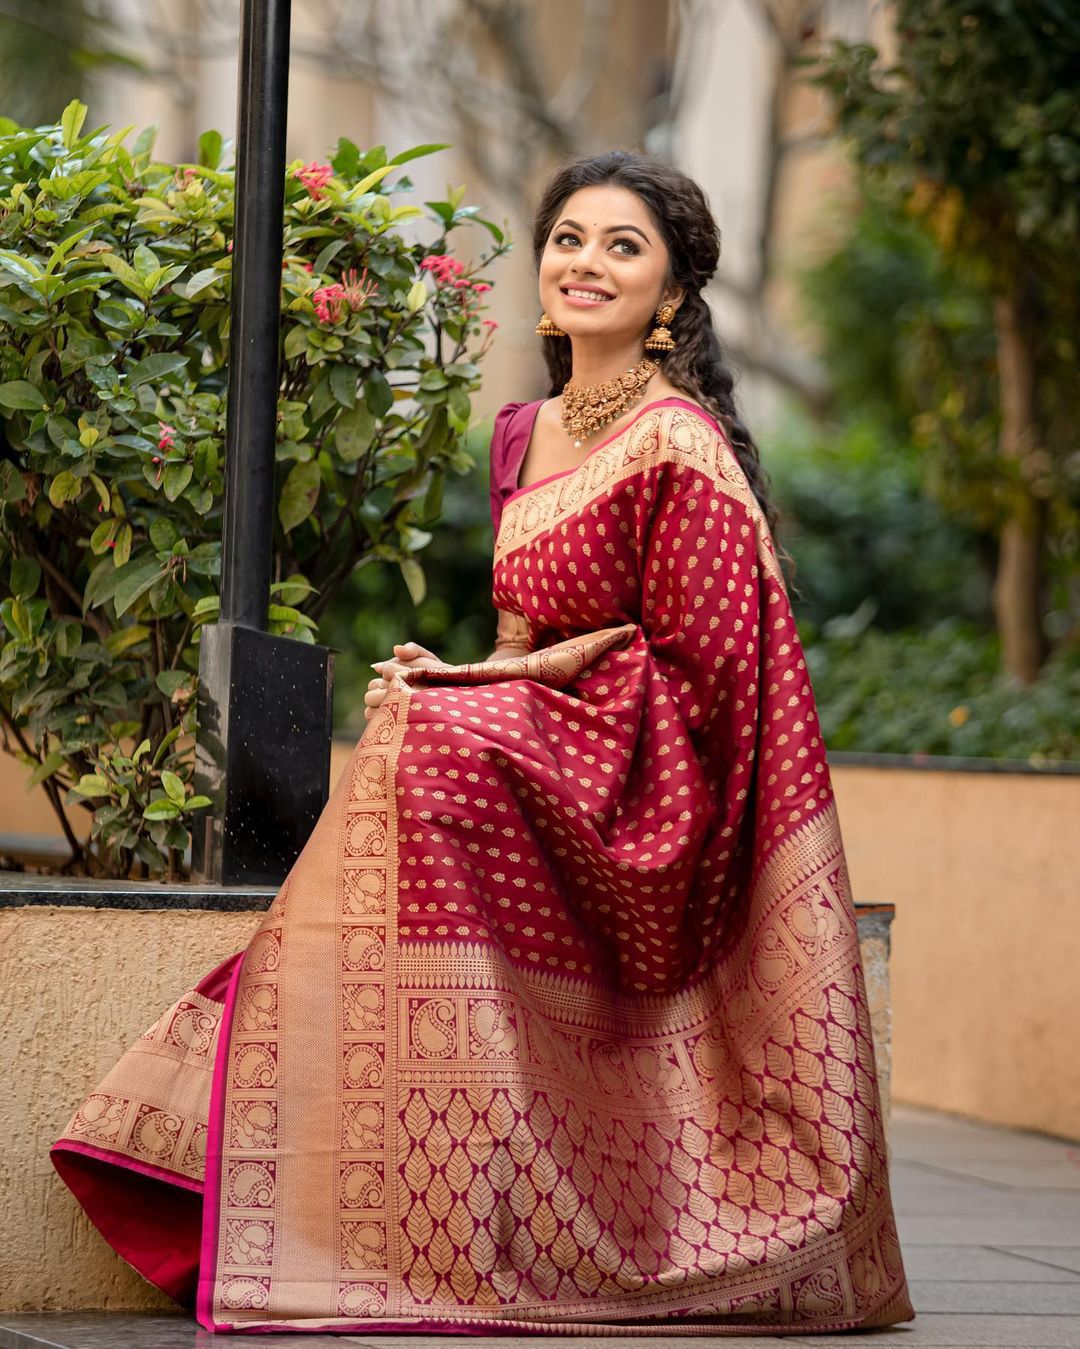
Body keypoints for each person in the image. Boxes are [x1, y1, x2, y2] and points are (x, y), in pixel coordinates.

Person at [52, 149, 913, 1334]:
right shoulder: (525, 434)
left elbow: (715, 685)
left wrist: (513, 686)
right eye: (569, 238)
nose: (587, 262)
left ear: (671, 297)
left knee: (440, 741)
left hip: (653, 790)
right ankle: (350, 1180)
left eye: (624, 246)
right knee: (417, 724)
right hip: (555, 753)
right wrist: (462, 677)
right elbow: (519, 637)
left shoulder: (680, 446)